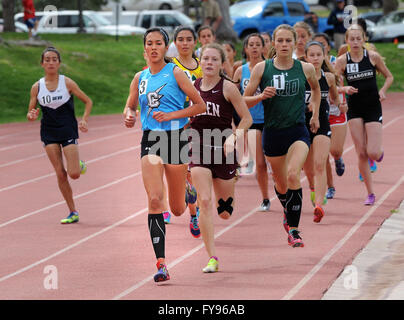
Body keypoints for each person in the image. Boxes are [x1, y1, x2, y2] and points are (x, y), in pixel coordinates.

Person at [124, 27, 206, 282]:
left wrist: (171, 115)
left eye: (158, 43)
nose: (154, 47)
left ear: (165, 47)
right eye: (149, 43)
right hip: (150, 139)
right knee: (155, 200)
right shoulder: (140, 77)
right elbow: (130, 105)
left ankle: (187, 187)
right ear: (144, 49)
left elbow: (199, 105)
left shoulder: (176, 73)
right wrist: (128, 114)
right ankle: (161, 263)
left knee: (178, 209)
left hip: (175, 139)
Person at [244, 24, 321, 247]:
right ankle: (288, 210)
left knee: (293, 174)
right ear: (274, 44)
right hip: (273, 133)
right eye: (280, 41)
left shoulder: (305, 68)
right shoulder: (261, 69)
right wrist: (261, 97)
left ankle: (294, 231)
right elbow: (243, 100)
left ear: (296, 42)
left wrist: (314, 114)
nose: (284, 45)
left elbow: (315, 90)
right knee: (280, 183)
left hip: (297, 130)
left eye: (288, 41)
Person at [189, 42, 252, 273]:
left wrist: (234, 138)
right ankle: (212, 257)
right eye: (205, 58)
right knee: (204, 201)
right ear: (200, 61)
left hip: (224, 151)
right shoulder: (191, 87)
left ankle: (225, 200)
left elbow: (246, 119)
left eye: (214, 59)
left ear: (221, 63)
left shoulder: (228, 88)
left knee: (225, 212)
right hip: (198, 149)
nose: (209, 63)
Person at [27, 47, 92, 224]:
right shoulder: (37, 87)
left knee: (74, 174)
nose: (50, 62)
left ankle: (78, 165)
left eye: (54, 59)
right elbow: (31, 111)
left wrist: (84, 120)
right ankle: (73, 211)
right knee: (60, 173)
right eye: (47, 59)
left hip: (68, 129)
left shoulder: (67, 83)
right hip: (49, 132)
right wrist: (31, 115)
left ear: (59, 63)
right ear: (42, 63)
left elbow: (87, 101)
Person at [334, 24, 393, 205]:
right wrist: (343, 89)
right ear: (347, 41)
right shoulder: (342, 61)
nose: (356, 42)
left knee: (372, 152)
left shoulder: (372, 57)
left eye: (359, 38)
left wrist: (383, 91)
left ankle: (378, 153)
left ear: (364, 39)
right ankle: (370, 193)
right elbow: (333, 86)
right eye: (352, 39)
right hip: (354, 109)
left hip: (373, 107)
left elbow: (389, 77)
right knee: (361, 153)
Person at [302, 41, 343, 222]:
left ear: (324, 56)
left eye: (319, 54)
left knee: (320, 164)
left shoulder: (329, 78)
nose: (316, 58)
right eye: (312, 55)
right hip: (301, 125)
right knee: (308, 169)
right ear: (306, 57)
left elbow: (334, 97)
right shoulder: (300, 76)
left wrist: (341, 105)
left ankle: (319, 205)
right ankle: (312, 188)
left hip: (322, 125)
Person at [172, 25, 203, 237]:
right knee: (175, 170)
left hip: (197, 126)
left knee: (191, 172)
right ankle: (182, 202)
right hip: (173, 126)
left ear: (195, 42)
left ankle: (193, 215)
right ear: (175, 43)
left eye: (188, 39)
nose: (184, 43)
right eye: (180, 39)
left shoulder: (202, 67)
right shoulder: (169, 67)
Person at [233, 33, 271, 211]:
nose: (255, 48)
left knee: (278, 164)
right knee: (260, 164)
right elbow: (233, 97)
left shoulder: (270, 67)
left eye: (258, 44)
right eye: (251, 44)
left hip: (272, 119)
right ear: (246, 48)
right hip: (253, 121)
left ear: (264, 47)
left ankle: (284, 191)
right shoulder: (240, 71)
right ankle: (265, 198)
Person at [313, 32, 348, 199]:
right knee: (323, 155)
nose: (320, 47)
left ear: (328, 46)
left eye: (323, 44)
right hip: (320, 113)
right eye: (316, 44)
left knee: (335, 150)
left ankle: (339, 158)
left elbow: (340, 85)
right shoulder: (308, 66)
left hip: (336, 110)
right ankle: (330, 186)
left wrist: (343, 100)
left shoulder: (336, 62)